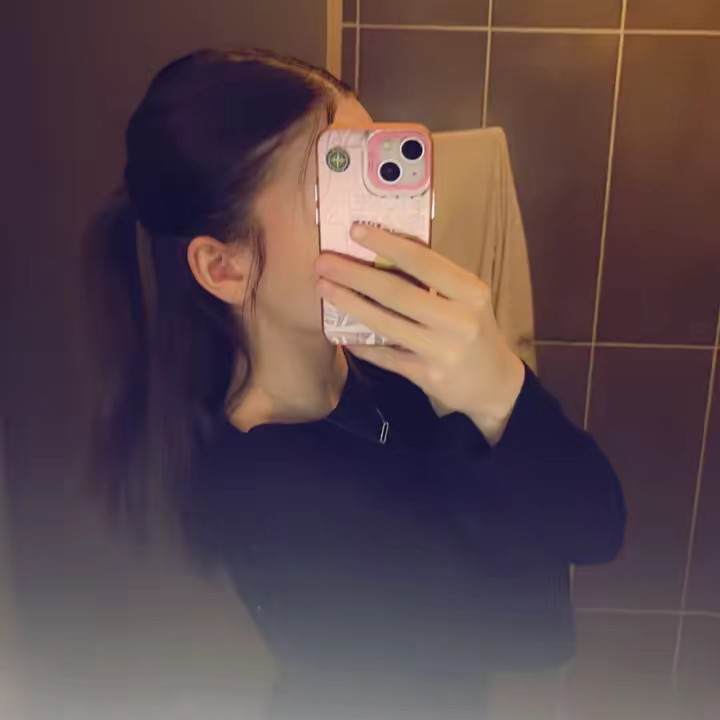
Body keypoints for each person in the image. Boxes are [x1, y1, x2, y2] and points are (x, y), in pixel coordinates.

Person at [84, 48, 626, 720]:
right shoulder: (268, 489)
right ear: (224, 267)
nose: (382, 223)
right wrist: (492, 406)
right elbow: (532, 633)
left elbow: (596, 529)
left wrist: (498, 391)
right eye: (335, 192)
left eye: (374, 176)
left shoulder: (388, 372)